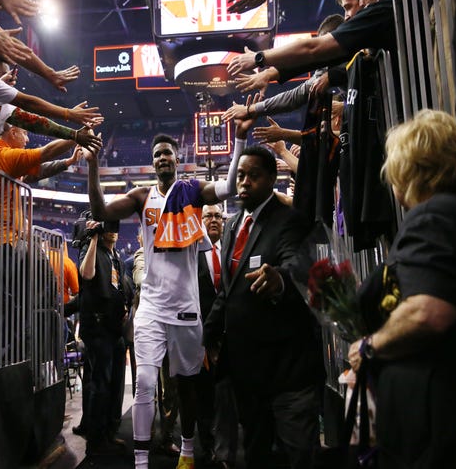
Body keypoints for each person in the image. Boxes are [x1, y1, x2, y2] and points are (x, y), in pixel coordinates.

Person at [84, 103, 256, 468]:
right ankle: (142, 461)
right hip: (151, 308)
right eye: (157, 155)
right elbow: (100, 212)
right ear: (152, 163)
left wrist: (239, 138)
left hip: (186, 307)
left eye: (167, 154)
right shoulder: (142, 197)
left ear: (177, 160)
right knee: (145, 382)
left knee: (188, 385)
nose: (162, 158)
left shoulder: (192, 192)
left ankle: (189, 449)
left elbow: (227, 187)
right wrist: (93, 166)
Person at [347, 109, 456, 468]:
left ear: (406, 172)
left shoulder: (433, 217)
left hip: (443, 429)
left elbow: (428, 312)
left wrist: (369, 347)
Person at [203, 145, 324, 469]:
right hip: (248, 373)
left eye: (253, 176)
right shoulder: (231, 225)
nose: (244, 183)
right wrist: (208, 332)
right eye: (240, 175)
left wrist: (280, 280)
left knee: (298, 456)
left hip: (288, 370)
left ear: (272, 178)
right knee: (255, 456)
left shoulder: (289, 220)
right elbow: (228, 291)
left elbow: (296, 266)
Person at [227, 0, 394, 94]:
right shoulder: (381, 15)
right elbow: (317, 57)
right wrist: (269, 72)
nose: (363, 3)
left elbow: (313, 49)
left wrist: (259, 58)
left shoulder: (381, 12)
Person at [78, 219, 128, 459]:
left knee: (115, 384)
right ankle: (95, 442)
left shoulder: (115, 255)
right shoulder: (93, 249)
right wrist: (94, 237)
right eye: (109, 226)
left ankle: (108, 433)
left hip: (114, 328)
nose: (114, 231)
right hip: (98, 329)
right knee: (101, 385)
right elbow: (87, 274)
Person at [196, 204, 239, 469]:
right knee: (203, 397)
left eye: (218, 216)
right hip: (199, 336)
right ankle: (208, 446)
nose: (214, 220)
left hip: (230, 335)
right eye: (208, 216)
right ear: (200, 221)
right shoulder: (191, 253)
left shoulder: (232, 251)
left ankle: (224, 452)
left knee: (227, 396)